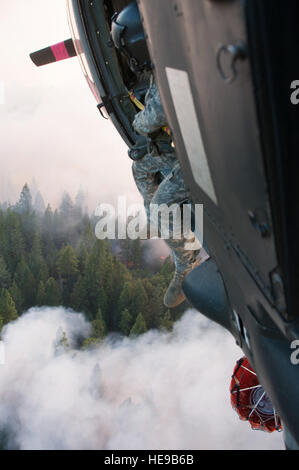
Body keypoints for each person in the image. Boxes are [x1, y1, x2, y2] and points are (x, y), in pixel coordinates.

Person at [111, 2, 208, 308]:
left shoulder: (167, 71)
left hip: (201, 155)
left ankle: (187, 263)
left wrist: (140, 122)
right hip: (188, 142)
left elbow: (151, 118)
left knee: (163, 203)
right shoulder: (170, 53)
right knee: (141, 167)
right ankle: (160, 217)